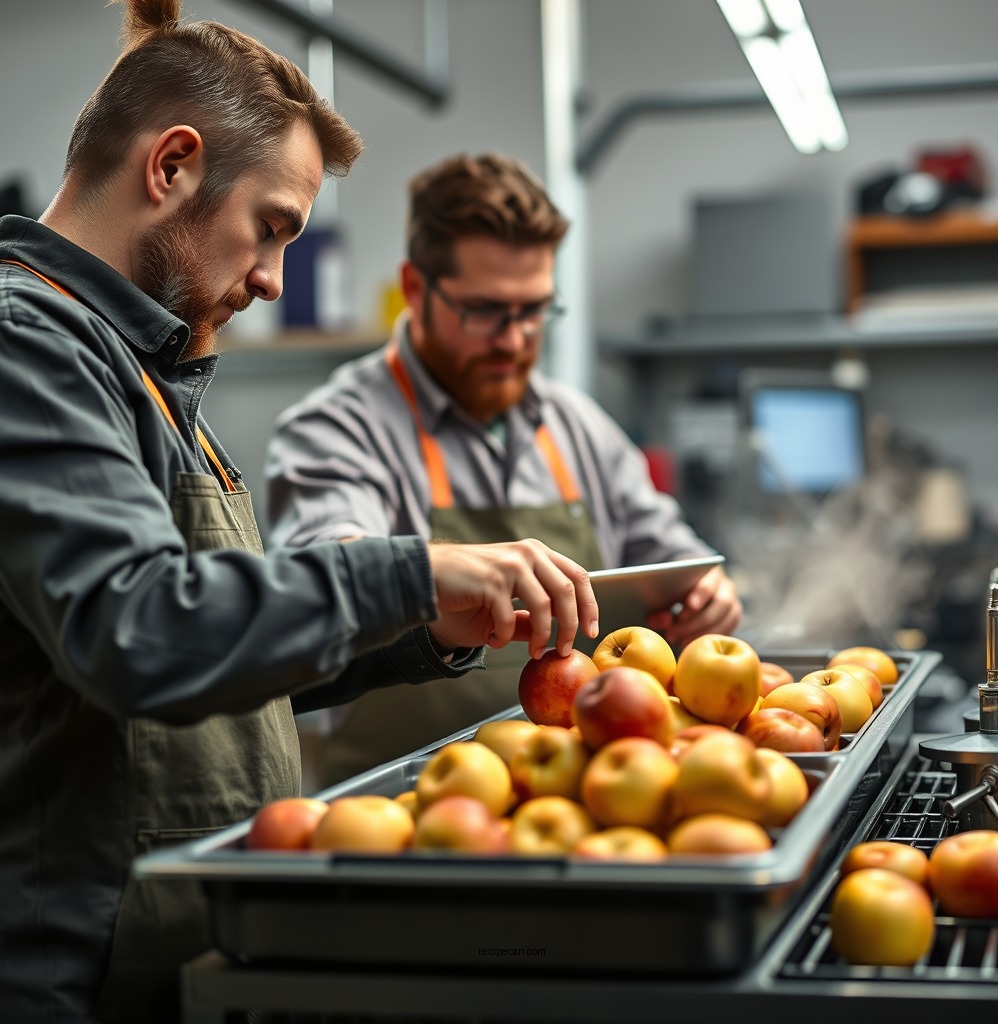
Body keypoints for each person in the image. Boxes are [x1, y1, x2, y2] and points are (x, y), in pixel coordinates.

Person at [0, 7, 600, 1024]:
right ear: (173, 166)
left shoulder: (145, 370)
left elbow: (223, 644)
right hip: (73, 982)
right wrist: (406, 574)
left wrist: (417, 627)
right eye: (271, 225)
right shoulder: (28, 349)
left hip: (178, 954)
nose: (275, 276)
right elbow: (138, 627)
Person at [265, 151, 743, 783]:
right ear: (415, 289)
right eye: (487, 311)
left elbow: (674, 554)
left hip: (578, 801)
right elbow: (325, 577)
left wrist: (708, 600)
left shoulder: (577, 425)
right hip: (401, 822)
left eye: (534, 311)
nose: (516, 340)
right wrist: (436, 573)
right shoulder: (335, 429)